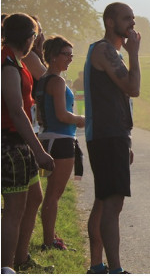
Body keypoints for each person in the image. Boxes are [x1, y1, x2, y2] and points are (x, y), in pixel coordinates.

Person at [84, 3, 141, 274]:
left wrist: (126, 138)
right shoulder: (105, 50)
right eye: (126, 18)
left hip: (112, 134)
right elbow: (133, 88)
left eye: (133, 17)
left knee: (103, 200)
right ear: (109, 22)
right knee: (112, 203)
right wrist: (135, 55)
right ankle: (114, 270)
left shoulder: (110, 51)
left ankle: (97, 266)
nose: (132, 23)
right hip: (108, 135)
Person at [1, 13, 55, 272]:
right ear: (28, 37)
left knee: (34, 197)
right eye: (35, 36)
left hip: (21, 142)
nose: (36, 41)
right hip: (10, 144)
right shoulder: (8, 65)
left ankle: (21, 259)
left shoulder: (17, 61)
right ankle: (6, 266)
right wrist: (39, 150)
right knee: (14, 209)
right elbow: (15, 109)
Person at [35, 36, 86, 250]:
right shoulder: (57, 81)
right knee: (54, 194)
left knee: (51, 194)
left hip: (47, 138)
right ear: (54, 56)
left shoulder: (43, 80)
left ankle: (51, 236)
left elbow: (39, 116)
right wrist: (82, 120)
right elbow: (63, 115)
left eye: (72, 55)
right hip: (62, 140)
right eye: (66, 55)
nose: (70, 59)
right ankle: (49, 241)